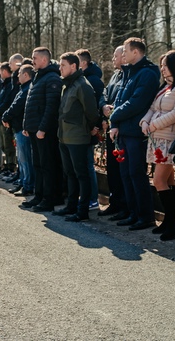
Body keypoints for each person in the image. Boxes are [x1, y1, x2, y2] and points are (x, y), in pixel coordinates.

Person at [140, 50, 175, 240]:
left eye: (165, 65)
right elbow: (152, 108)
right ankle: (170, 221)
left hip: (168, 139)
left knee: (158, 180)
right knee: (168, 181)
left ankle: (172, 222)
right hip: (156, 138)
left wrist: (154, 124)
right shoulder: (166, 87)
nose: (162, 69)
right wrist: (145, 122)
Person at [109, 37, 160, 230]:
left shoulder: (146, 73)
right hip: (125, 131)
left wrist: (114, 117)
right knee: (126, 174)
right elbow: (121, 99)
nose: (122, 55)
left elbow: (136, 102)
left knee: (136, 174)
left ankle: (145, 216)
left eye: (126, 51)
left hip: (135, 133)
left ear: (136, 52)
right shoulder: (130, 72)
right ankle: (133, 212)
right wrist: (115, 120)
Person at [55, 52, 99, 222]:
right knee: (70, 173)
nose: (60, 68)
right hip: (64, 137)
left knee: (81, 174)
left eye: (63, 65)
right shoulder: (67, 84)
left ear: (73, 66)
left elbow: (91, 112)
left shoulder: (82, 85)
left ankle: (83, 210)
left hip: (78, 137)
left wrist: (90, 129)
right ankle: (71, 206)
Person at [22, 47, 64, 212]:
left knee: (48, 165)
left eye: (35, 58)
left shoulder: (52, 78)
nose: (32, 61)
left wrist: (42, 128)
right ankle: (39, 196)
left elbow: (51, 107)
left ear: (44, 60)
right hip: (34, 129)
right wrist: (27, 126)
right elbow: (31, 104)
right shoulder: (38, 78)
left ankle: (49, 198)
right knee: (38, 164)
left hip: (44, 131)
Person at [98, 46, 128, 219]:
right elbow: (105, 93)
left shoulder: (129, 76)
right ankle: (114, 202)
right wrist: (104, 106)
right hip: (110, 126)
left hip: (122, 128)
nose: (113, 58)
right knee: (112, 168)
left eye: (116, 55)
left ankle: (124, 205)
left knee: (122, 169)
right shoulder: (116, 75)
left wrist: (114, 110)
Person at [75, 49, 104, 210]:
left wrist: (96, 126)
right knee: (83, 165)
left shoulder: (93, 81)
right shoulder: (83, 78)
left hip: (90, 129)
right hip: (81, 129)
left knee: (88, 164)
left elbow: (95, 106)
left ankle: (93, 198)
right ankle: (86, 196)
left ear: (83, 63)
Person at [2, 63, 35, 197]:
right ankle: (23, 182)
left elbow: (16, 105)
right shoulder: (23, 88)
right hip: (18, 128)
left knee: (25, 158)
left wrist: (5, 116)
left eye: (20, 73)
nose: (18, 76)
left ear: (26, 75)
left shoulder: (27, 89)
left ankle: (27, 185)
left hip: (22, 129)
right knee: (21, 159)